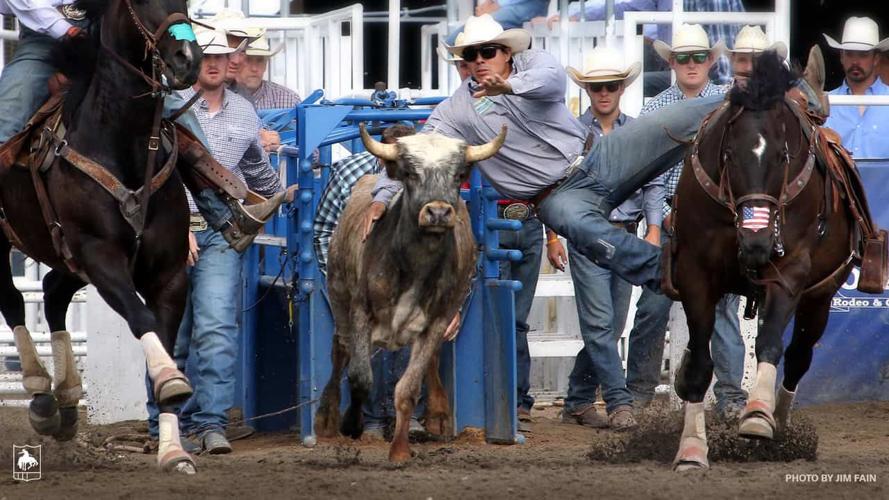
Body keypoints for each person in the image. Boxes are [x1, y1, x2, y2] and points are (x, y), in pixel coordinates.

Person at [0, 3, 283, 252]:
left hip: (107, 37)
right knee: (8, 115)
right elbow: (30, 5)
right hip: (45, 39)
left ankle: (223, 213)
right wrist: (68, 31)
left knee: (175, 110)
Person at [145, 29, 284, 454]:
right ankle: (164, 425)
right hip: (170, 232)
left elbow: (257, 171)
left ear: (233, 62)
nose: (214, 63)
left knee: (217, 328)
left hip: (221, 232)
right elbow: (147, 173)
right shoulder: (168, 107)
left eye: (224, 56)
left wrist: (280, 195)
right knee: (175, 333)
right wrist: (173, 224)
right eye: (208, 55)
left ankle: (210, 424)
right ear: (194, 58)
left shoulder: (244, 113)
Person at [624, 23, 748, 417]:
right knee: (653, 307)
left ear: (711, 61)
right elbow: (650, 176)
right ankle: (639, 393)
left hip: (718, 224)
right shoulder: (656, 107)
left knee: (725, 310)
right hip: (674, 220)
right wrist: (656, 225)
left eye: (698, 57)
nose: (691, 64)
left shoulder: (729, 103)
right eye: (683, 58)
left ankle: (732, 397)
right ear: (671, 62)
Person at [549, 47, 662, 429]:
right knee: (602, 326)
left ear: (620, 89)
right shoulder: (573, 133)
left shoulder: (633, 132)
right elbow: (554, 188)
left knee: (610, 328)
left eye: (610, 86)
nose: (603, 93)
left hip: (624, 235)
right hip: (587, 236)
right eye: (597, 86)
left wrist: (654, 228)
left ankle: (579, 400)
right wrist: (554, 234)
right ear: (589, 89)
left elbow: (653, 182)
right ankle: (619, 403)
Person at [824, 16, 889, 159]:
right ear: (842, 57)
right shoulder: (825, 103)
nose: (855, 61)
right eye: (849, 54)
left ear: (876, 58)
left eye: (863, 55)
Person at [235, 31, 301, 153]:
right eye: (249, 60)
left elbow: (314, 153)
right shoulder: (220, 97)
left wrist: (282, 147)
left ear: (266, 64)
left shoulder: (289, 99)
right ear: (236, 62)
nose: (254, 68)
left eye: (260, 60)